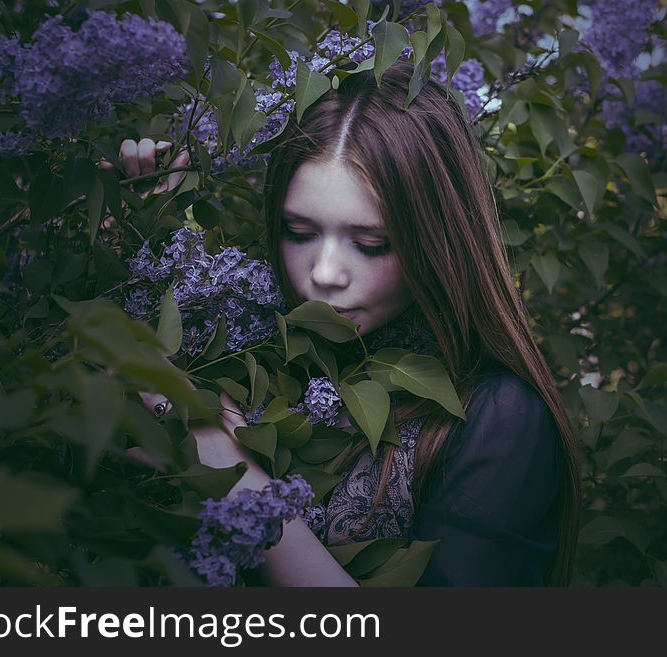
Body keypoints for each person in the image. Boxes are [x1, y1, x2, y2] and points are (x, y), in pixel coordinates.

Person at [119, 61, 582, 586]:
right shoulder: (242, 340)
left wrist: (237, 481)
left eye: (370, 244)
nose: (323, 273)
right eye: (298, 232)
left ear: (439, 241)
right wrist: (134, 247)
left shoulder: (498, 419)